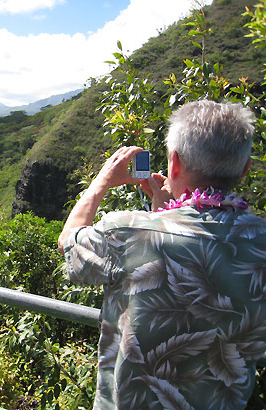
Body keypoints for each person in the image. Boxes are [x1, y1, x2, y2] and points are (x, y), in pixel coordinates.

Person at [58, 100, 266, 409]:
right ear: (246, 168)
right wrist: (165, 210)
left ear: (175, 163)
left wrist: (101, 182)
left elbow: (69, 243)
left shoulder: (128, 232)